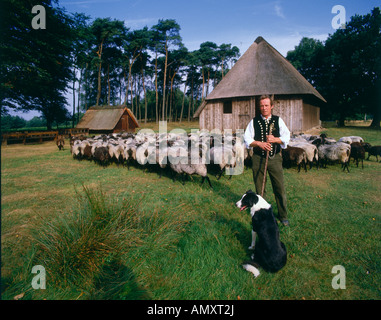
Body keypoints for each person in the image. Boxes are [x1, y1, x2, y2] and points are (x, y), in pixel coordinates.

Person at [244, 95, 290, 226]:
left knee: (279, 187)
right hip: (258, 159)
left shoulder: (278, 120)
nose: (264, 108)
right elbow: (247, 139)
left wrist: (275, 139)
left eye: (266, 105)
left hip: (274, 159)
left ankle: (283, 215)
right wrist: (259, 143)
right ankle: (262, 214)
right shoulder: (253, 122)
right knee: (260, 189)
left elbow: (287, 137)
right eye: (262, 106)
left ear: (272, 106)